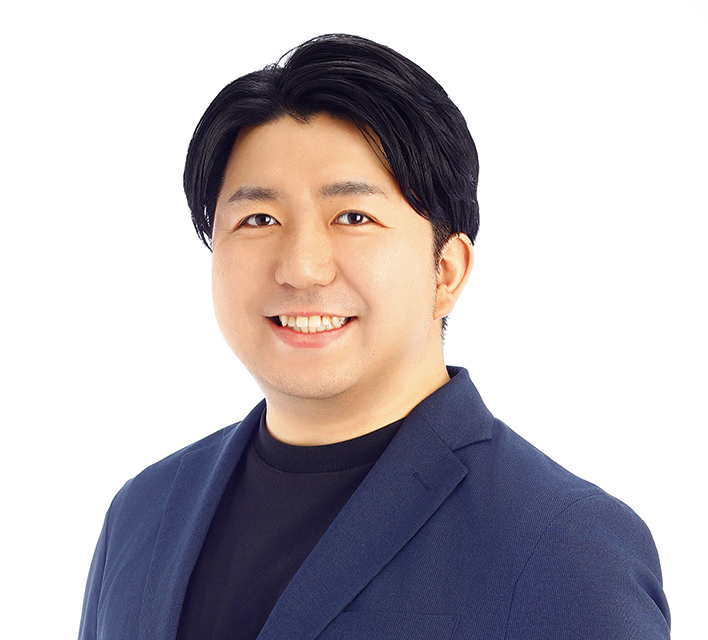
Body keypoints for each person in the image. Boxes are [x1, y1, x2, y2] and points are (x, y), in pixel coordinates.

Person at [78, 34, 671, 639]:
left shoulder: (565, 546)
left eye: (353, 218)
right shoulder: (142, 513)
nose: (301, 268)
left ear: (446, 271)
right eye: (258, 219)